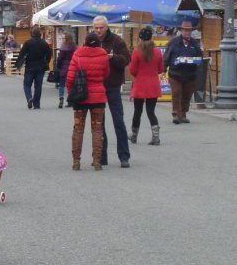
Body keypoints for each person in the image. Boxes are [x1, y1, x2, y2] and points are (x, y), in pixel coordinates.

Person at [66, 32, 109, 171]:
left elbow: (70, 78)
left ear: (85, 42)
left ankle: (76, 162)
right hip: (98, 97)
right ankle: (97, 162)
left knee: (78, 129)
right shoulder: (103, 55)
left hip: (80, 97)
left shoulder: (78, 54)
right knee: (97, 130)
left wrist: (71, 92)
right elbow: (106, 74)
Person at [92, 16, 131, 168]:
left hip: (113, 86)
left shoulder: (117, 41)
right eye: (96, 27)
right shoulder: (91, 41)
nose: (98, 30)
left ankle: (124, 156)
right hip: (97, 86)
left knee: (118, 120)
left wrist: (112, 57)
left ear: (107, 27)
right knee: (99, 123)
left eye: (101, 27)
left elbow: (126, 59)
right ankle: (102, 156)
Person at [163, 19, 204, 125]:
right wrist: (164, 68)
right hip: (175, 74)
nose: (187, 32)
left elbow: (200, 56)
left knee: (187, 95)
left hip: (190, 74)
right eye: (185, 30)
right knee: (176, 92)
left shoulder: (195, 43)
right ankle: (176, 114)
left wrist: (197, 62)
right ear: (181, 30)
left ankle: (183, 114)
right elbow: (166, 56)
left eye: (189, 30)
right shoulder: (174, 42)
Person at [129, 26, 164, 146]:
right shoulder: (158, 52)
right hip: (153, 84)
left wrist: (139, 74)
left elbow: (132, 70)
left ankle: (134, 136)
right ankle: (156, 137)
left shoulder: (137, 51)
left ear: (140, 38)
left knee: (137, 111)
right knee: (151, 111)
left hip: (140, 84)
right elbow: (161, 69)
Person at [16, 26, 53, 109]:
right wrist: (46, 62)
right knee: (38, 86)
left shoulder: (28, 43)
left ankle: (29, 98)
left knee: (27, 84)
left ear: (32, 33)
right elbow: (49, 53)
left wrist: (17, 64)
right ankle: (36, 104)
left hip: (30, 66)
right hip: (40, 66)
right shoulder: (44, 43)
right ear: (40, 34)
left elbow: (22, 54)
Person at [55, 34, 77, 109]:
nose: (63, 39)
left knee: (61, 85)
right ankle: (71, 101)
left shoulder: (63, 48)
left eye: (64, 38)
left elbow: (60, 59)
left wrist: (58, 66)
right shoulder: (74, 47)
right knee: (71, 85)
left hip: (63, 68)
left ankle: (61, 98)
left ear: (66, 39)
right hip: (72, 68)